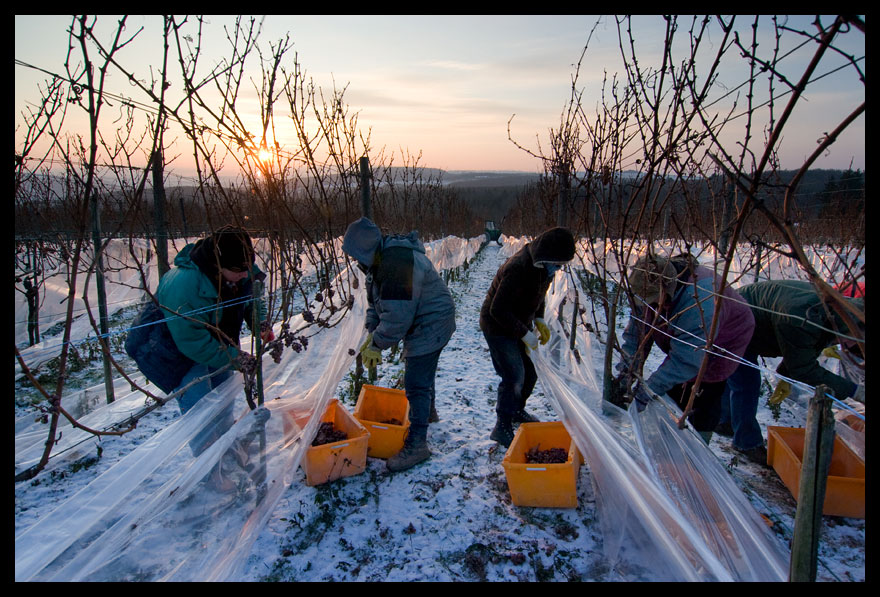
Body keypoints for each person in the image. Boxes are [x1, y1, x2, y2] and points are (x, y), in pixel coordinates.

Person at [126, 226, 273, 460]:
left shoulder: (241, 267)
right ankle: (211, 473)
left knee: (224, 400)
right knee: (201, 410)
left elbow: (252, 299)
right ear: (217, 265)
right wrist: (235, 358)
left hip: (216, 342)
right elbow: (191, 340)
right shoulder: (184, 285)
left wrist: (261, 324)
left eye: (247, 268)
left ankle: (227, 452)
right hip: (175, 351)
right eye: (238, 270)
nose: (245, 274)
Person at [342, 217, 456, 472]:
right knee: (422, 375)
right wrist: (372, 333)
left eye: (354, 253)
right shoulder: (379, 262)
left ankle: (417, 444)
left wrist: (378, 343)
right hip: (423, 319)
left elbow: (398, 316)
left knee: (416, 382)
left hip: (432, 321)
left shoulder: (396, 263)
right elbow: (377, 303)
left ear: (363, 249)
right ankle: (427, 414)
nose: (354, 260)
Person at [716, 279, 865, 464]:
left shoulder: (830, 314)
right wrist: (854, 391)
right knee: (746, 381)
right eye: (855, 341)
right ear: (849, 330)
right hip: (737, 318)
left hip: (755, 317)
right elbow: (804, 368)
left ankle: (725, 421)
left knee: (739, 376)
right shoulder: (805, 319)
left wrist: (785, 373)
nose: (851, 347)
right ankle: (746, 443)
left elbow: (807, 347)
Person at [616, 254, 755, 444]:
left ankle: (698, 451)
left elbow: (686, 360)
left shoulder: (700, 300)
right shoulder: (646, 283)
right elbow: (637, 334)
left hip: (723, 341)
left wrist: (647, 391)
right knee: (674, 391)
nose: (649, 305)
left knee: (703, 394)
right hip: (684, 335)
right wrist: (626, 370)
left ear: (668, 291)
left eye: (654, 301)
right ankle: (668, 440)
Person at [480, 227, 576, 447]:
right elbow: (498, 309)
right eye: (558, 264)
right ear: (547, 257)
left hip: (518, 322)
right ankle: (501, 425)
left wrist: (539, 319)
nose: (558, 269)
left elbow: (539, 295)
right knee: (514, 375)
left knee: (530, 373)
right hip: (497, 326)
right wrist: (524, 333)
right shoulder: (518, 268)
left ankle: (516, 410)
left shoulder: (543, 267)